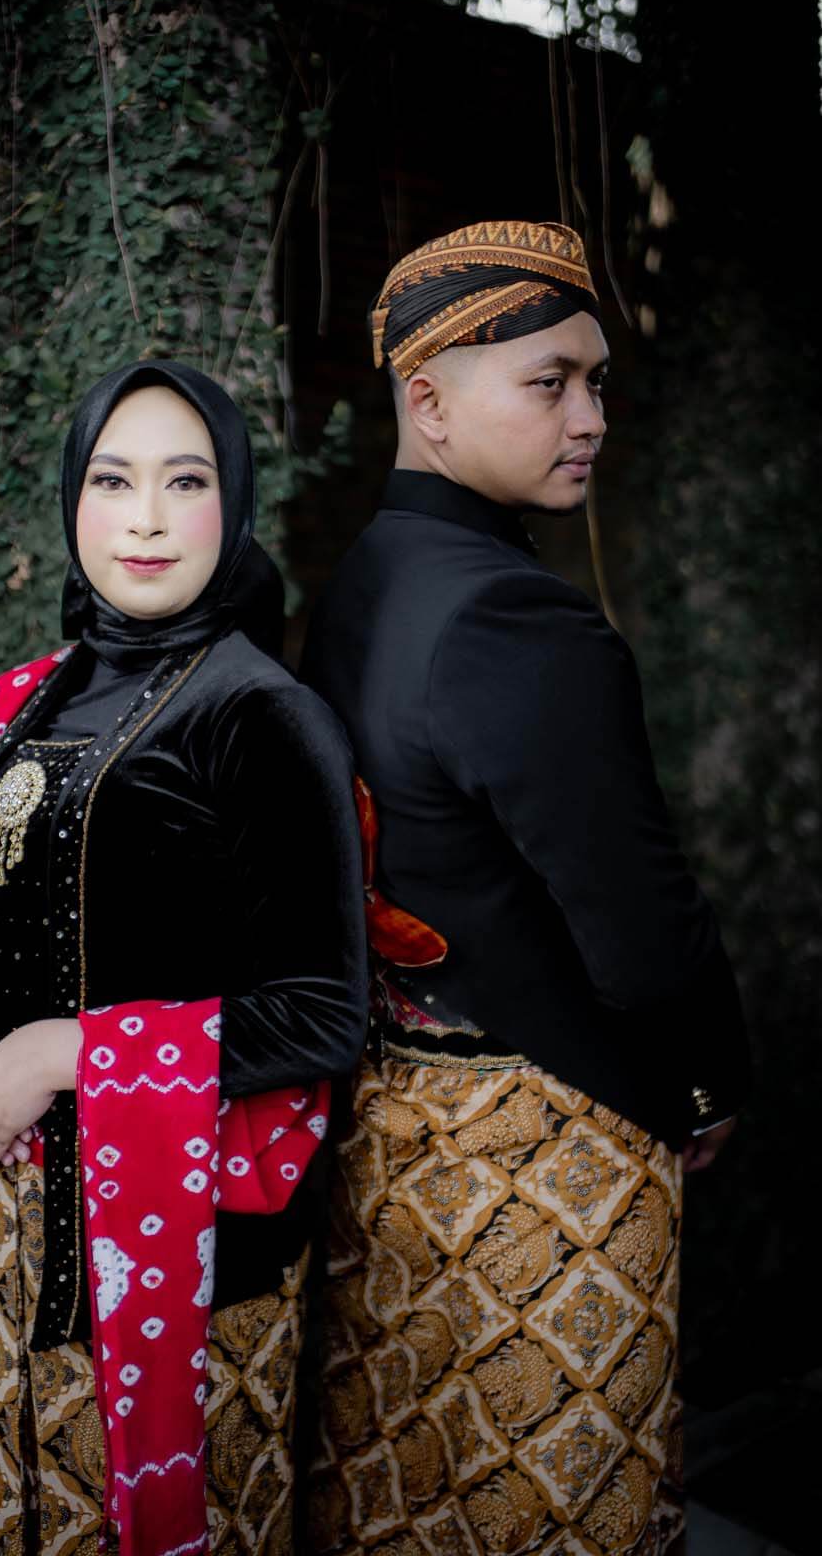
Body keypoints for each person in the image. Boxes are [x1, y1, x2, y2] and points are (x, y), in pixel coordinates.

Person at [301, 221, 750, 1555]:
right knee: (562, 1501)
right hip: (540, 1151)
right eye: (548, 383)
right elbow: (640, 930)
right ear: (427, 402)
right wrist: (706, 1083)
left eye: (594, 382)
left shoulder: (365, 579)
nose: (589, 417)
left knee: (412, 1496)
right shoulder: (510, 616)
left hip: (389, 1136)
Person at [0, 359, 368, 1556]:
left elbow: (323, 1012)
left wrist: (69, 1051)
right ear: (72, 499)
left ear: (232, 501)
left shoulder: (259, 716)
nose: (144, 518)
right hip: (16, 1232)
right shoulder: (20, 703)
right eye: (112, 480)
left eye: (184, 480)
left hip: (185, 1265)